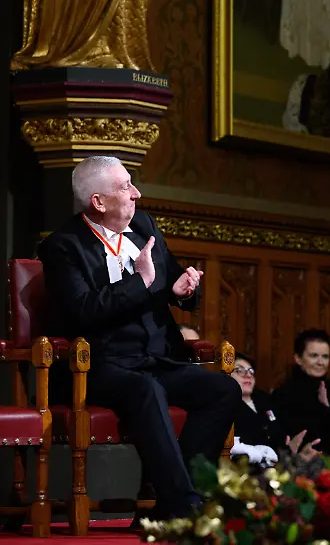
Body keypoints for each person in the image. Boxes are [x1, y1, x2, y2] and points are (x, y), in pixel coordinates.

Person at [38, 155, 241, 519]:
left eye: (132, 184)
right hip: (102, 365)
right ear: (98, 202)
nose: (137, 193)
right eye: (125, 187)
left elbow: (174, 278)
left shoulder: (145, 225)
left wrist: (182, 290)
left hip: (156, 357)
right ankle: (185, 507)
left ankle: (177, 498)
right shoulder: (63, 247)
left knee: (223, 390)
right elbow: (83, 310)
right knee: (147, 390)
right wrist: (141, 283)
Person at [226, 353, 319, 467]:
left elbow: (282, 435)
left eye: (251, 371)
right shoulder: (223, 406)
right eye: (240, 370)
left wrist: (292, 450)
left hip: (281, 466)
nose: (248, 375)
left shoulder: (265, 400)